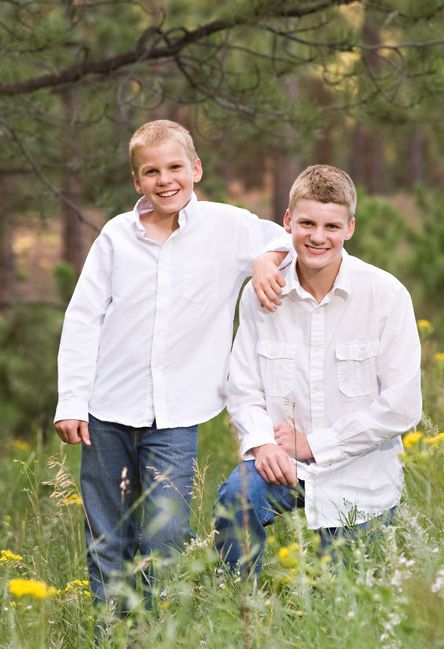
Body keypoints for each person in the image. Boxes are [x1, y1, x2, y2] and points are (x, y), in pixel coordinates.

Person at [54, 120, 288, 607]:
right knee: (108, 534)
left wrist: (264, 260)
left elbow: (277, 238)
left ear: (196, 169)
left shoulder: (226, 226)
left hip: (177, 414)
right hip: (106, 410)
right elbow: (83, 319)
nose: (166, 180)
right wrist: (72, 401)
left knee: (164, 533)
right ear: (137, 182)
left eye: (175, 167)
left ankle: (159, 628)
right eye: (151, 171)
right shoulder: (117, 236)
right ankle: (114, 634)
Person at [215, 164, 422, 573]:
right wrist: (262, 444)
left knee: (349, 600)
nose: (317, 237)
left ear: (350, 228)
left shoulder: (385, 295)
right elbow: (242, 386)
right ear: (288, 221)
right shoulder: (262, 294)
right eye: (307, 223)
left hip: (361, 477)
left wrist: (315, 444)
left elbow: (401, 405)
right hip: (281, 465)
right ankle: (241, 614)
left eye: (331, 226)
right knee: (237, 499)